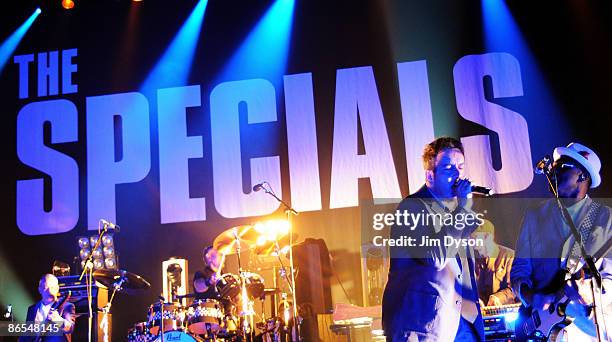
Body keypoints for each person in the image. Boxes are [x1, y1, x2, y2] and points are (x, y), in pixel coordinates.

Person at [382, 137, 485, 341]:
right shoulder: (411, 208)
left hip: (462, 324)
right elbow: (435, 257)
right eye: (448, 168)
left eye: (460, 167)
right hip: (424, 327)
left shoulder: (453, 210)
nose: (457, 175)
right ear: (430, 175)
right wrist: (462, 209)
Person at [511, 142, 611, 341]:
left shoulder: (606, 219)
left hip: (587, 329)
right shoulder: (534, 215)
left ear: (583, 176)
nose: (553, 171)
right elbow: (519, 270)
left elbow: (609, 277)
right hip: (541, 331)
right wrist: (530, 296)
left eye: (562, 167)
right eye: (553, 166)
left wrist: (589, 293)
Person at [471, 219, 517, 307]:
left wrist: (498, 298)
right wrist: (476, 300)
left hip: (507, 315)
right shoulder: (472, 260)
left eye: (474, 237)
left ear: (488, 236)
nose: (470, 241)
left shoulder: (509, 256)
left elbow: (515, 288)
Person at [19, 274, 76, 342]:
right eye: (48, 286)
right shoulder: (32, 309)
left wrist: (58, 320)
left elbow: (70, 328)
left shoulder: (67, 306)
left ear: (57, 288)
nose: (51, 289)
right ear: (40, 289)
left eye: (54, 286)